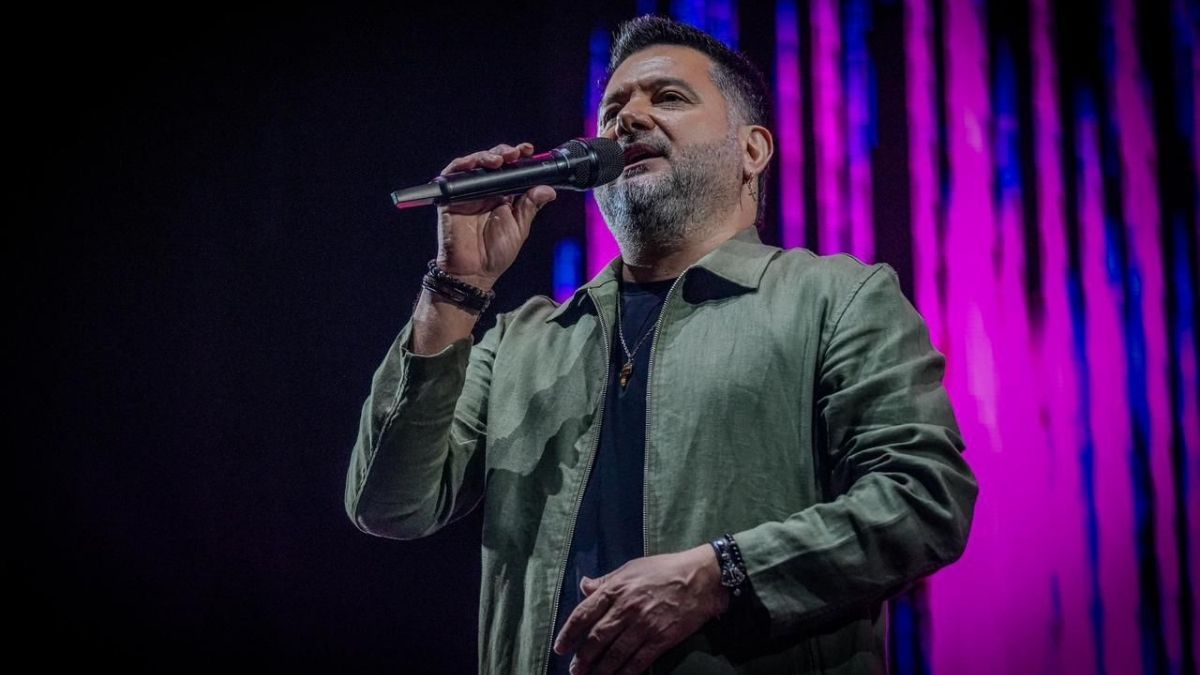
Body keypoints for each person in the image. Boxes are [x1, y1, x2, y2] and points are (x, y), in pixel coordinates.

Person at [345, 15, 977, 675]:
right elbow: (389, 504)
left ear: (752, 149)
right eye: (612, 108)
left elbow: (924, 496)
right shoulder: (519, 342)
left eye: (668, 97)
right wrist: (455, 286)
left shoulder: (835, 298)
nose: (627, 120)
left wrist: (721, 574)